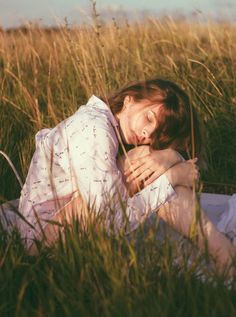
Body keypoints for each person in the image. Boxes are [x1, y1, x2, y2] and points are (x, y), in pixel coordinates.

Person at [16, 78, 235, 274]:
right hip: (43, 242)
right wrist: (171, 178)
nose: (147, 134)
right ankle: (224, 254)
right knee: (148, 167)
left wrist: (170, 155)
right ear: (129, 100)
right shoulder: (94, 129)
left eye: (158, 134)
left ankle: (221, 251)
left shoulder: (108, 125)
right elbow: (110, 220)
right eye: (148, 118)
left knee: (148, 160)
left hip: (64, 224)